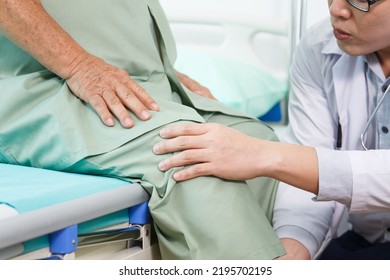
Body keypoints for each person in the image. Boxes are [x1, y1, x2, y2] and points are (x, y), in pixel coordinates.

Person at [0, 0, 286, 259]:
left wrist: (165, 75)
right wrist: (79, 66)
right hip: (41, 87)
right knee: (192, 155)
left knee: (256, 142)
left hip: (133, 82)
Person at [154, 0, 390, 260]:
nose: (337, 9)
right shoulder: (318, 46)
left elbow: (300, 162)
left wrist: (267, 156)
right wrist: (294, 246)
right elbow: (308, 166)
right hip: (365, 238)